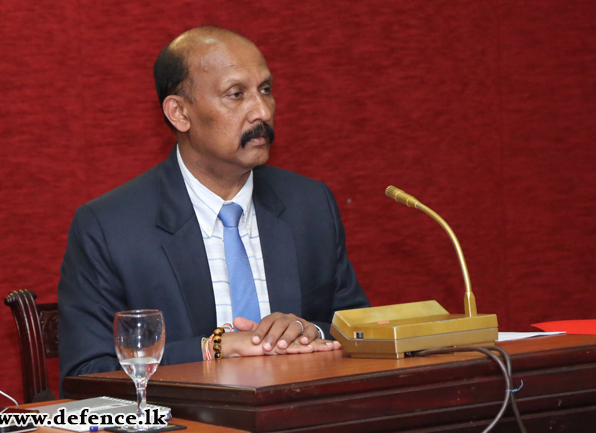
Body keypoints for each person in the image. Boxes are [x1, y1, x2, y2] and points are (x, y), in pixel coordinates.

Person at [58, 26, 369, 388]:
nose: (262, 112)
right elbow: (86, 376)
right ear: (179, 113)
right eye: (236, 94)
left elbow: (361, 331)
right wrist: (210, 350)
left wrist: (309, 330)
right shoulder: (110, 228)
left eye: (265, 90)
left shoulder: (309, 204)